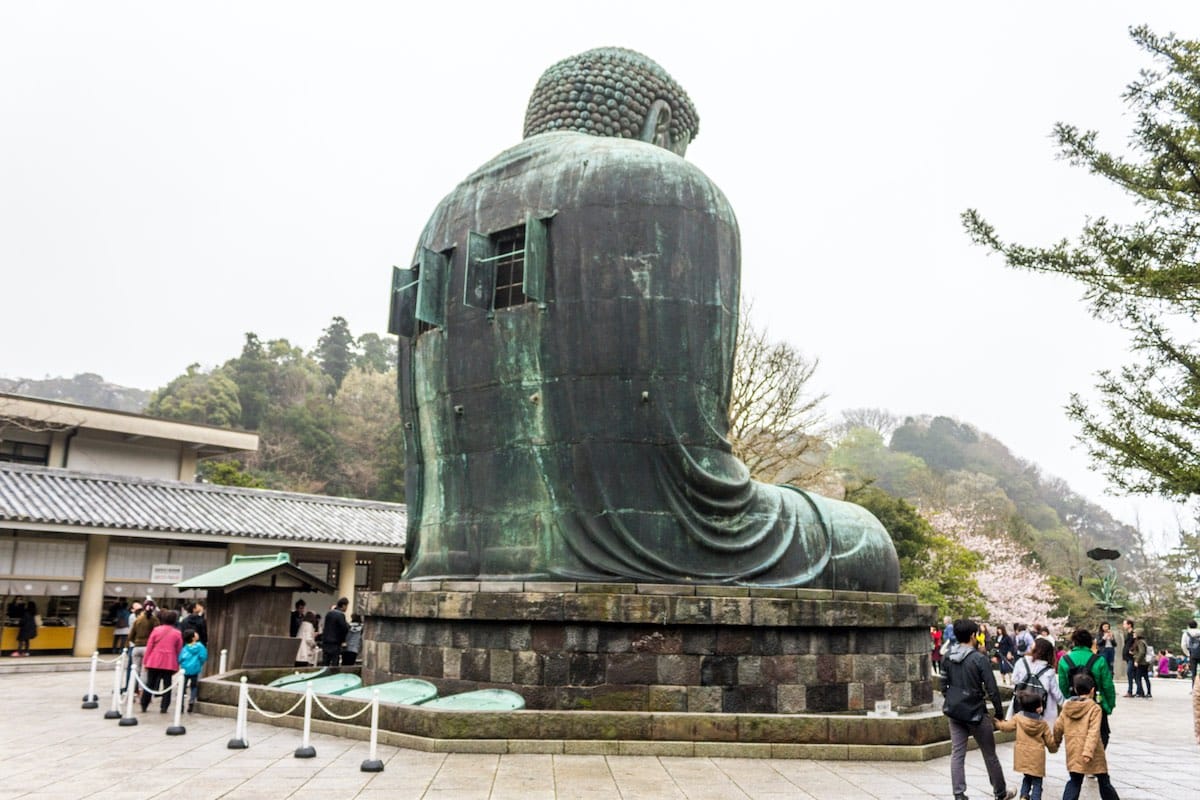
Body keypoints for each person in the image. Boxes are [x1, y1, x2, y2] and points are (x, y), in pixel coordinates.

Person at [942, 618, 1015, 800]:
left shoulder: (947, 657)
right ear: (973, 635)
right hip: (975, 712)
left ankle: (959, 794)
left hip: (955, 711)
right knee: (989, 754)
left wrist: (952, 699)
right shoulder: (978, 659)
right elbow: (992, 689)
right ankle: (1000, 792)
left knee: (957, 753)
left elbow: (944, 685)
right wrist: (999, 713)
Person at [1054, 673, 1121, 800]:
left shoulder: (1067, 707)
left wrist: (1055, 743)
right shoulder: (1094, 708)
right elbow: (1093, 731)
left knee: (1074, 780)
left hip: (1073, 750)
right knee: (1104, 781)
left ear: (1075, 689)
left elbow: (1058, 727)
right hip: (1093, 753)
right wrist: (1088, 752)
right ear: (1092, 690)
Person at [994, 687, 1058, 800]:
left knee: (1027, 778)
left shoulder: (1018, 717)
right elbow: (1050, 743)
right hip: (1037, 759)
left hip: (1022, 756)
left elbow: (1006, 727)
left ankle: (1023, 797)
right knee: (1037, 783)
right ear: (1038, 709)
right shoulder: (1042, 724)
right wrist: (1055, 746)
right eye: (1040, 705)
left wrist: (997, 723)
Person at [1057, 628, 1116, 748]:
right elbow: (1108, 686)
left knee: (1076, 740)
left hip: (1074, 704)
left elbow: (1063, 686)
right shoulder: (1099, 660)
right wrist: (1109, 705)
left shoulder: (1064, 661)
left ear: (1074, 643)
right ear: (1091, 643)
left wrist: (1071, 698)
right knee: (1101, 736)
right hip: (1096, 703)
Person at [1009, 638, 1065, 728]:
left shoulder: (1021, 662)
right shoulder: (1049, 670)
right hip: (1043, 711)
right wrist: (1066, 705)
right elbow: (1056, 693)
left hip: (1023, 708)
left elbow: (1014, 680)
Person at [141, 609, 182, 713]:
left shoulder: (156, 630)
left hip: (154, 660)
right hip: (169, 662)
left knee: (150, 683)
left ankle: (144, 704)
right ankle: (164, 706)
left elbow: (149, 647)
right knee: (167, 685)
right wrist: (177, 664)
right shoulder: (177, 633)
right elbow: (179, 650)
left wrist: (145, 662)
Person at [127, 601, 158, 695]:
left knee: (134, 669)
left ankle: (131, 689)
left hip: (136, 647)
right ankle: (142, 691)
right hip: (148, 648)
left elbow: (130, 636)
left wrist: (135, 641)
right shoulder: (155, 620)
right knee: (144, 671)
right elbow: (157, 634)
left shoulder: (138, 619)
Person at [178, 628, 207, 713]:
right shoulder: (200, 646)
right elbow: (203, 657)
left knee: (182, 687)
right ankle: (191, 701)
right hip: (195, 669)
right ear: (193, 637)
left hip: (185, 669)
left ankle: (181, 705)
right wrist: (199, 664)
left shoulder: (185, 648)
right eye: (195, 633)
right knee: (194, 686)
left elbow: (180, 658)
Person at [320, 598, 350, 667]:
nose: (346, 608)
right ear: (343, 605)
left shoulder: (329, 613)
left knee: (325, 663)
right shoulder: (340, 615)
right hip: (335, 643)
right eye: (346, 606)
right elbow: (344, 628)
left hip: (326, 642)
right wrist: (343, 640)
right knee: (334, 664)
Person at [1121, 618, 1140, 697]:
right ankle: (1139, 690)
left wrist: (1132, 650)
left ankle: (1130, 691)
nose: (1123, 625)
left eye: (1125, 624)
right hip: (1127, 657)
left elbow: (1136, 643)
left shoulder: (1133, 634)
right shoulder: (1128, 634)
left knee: (1130, 673)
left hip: (1132, 657)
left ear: (1129, 625)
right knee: (1134, 674)